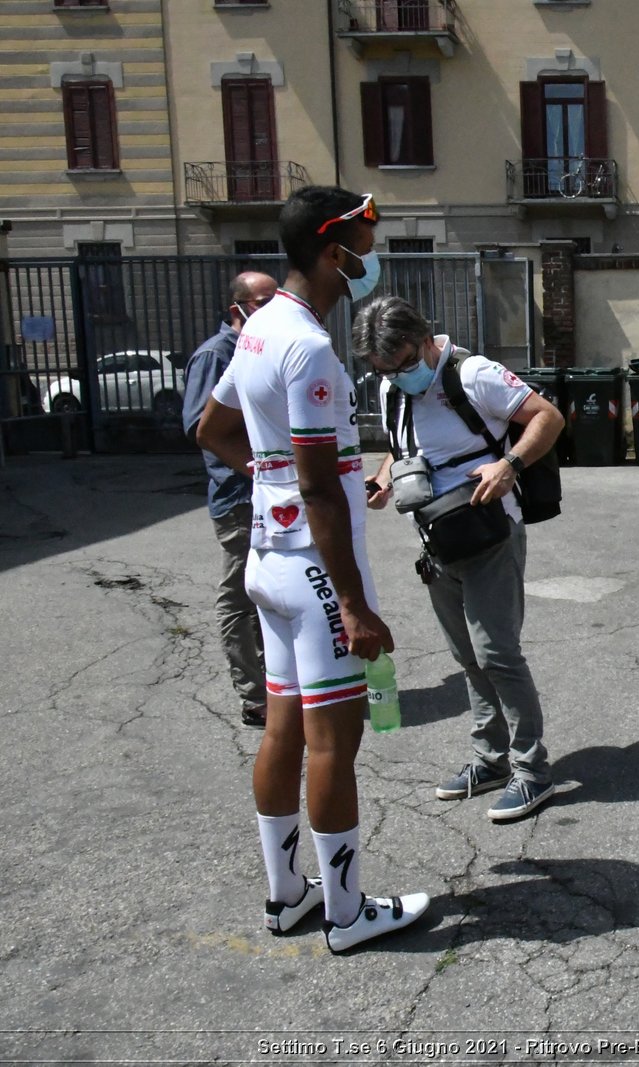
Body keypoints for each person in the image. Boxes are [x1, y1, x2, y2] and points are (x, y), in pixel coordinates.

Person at [197, 185, 430, 953]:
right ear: (334, 251)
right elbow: (320, 482)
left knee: (284, 730)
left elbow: (212, 427)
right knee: (334, 742)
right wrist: (357, 606)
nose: (369, 259)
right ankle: (347, 912)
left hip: (269, 560)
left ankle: (286, 895)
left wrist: (271, 481)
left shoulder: (260, 328)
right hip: (312, 573)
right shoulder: (309, 345)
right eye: (364, 244)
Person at [354, 296, 564, 823]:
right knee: (467, 656)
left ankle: (532, 771)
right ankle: (490, 760)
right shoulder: (390, 389)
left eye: (405, 363)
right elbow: (406, 446)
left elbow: (548, 417)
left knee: (498, 654)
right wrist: (384, 479)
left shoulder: (474, 375)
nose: (398, 376)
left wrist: (509, 464)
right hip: (436, 540)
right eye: (386, 370)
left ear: (426, 340)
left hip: (490, 531)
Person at [183, 271, 278, 728]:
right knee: (240, 596)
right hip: (240, 497)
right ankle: (254, 695)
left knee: (270, 592)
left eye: (274, 300)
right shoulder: (216, 355)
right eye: (261, 302)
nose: (269, 309)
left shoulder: (260, 348)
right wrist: (257, 464)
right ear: (236, 308)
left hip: (270, 494)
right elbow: (199, 429)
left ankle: (277, 684)